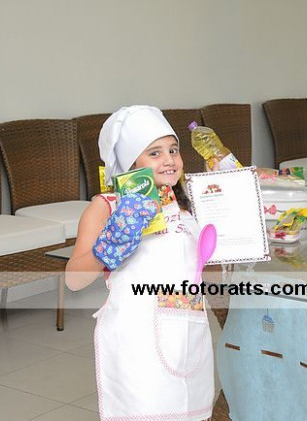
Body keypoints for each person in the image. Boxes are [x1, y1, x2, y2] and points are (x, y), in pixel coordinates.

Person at [65, 106, 214, 421]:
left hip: (188, 332)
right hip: (137, 340)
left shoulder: (188, 204)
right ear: (131, 164)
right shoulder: (106, 207)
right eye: (154, 153)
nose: (169, 160)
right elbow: (74, 280)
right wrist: (112, 242)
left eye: (173, 150)